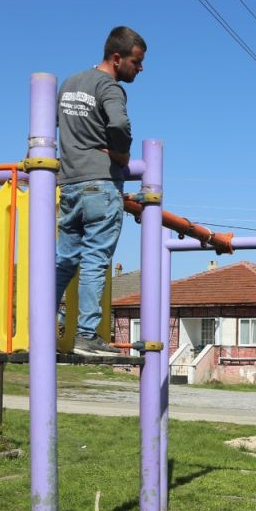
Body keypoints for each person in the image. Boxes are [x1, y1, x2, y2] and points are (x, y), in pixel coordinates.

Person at [54, 26, 146, 356]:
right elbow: (119, 125)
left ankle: (41, 321)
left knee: (64, 259)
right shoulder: (109, 87)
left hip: (69, 185)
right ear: (117, 58)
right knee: (96, 259)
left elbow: (53, 124)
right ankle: (86, 335)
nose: (140, 68)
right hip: (100, 186)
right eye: (136, 62)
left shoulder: (69, 84)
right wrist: (121, 155)